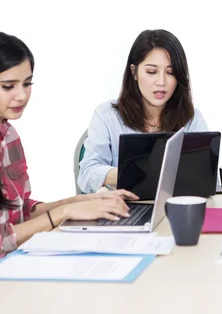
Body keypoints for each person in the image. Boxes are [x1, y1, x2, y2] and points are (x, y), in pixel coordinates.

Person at [0, 32, 136, 314]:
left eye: (27, 83)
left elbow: (20, 210)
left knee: (88, 302)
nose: (22, 95)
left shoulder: (7, 135)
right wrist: (64, 212)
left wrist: (83, 201)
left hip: (3, 268)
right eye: (8, 86)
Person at [77, 29, 208, 193]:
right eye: (152, 72)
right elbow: (87, 174)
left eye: (171, 72)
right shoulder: (106, 116)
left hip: (176, 207)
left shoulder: (192, 119)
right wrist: (133, 174)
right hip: (124, 209)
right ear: (134, 72)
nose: (161, 82)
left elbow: (207, 177)